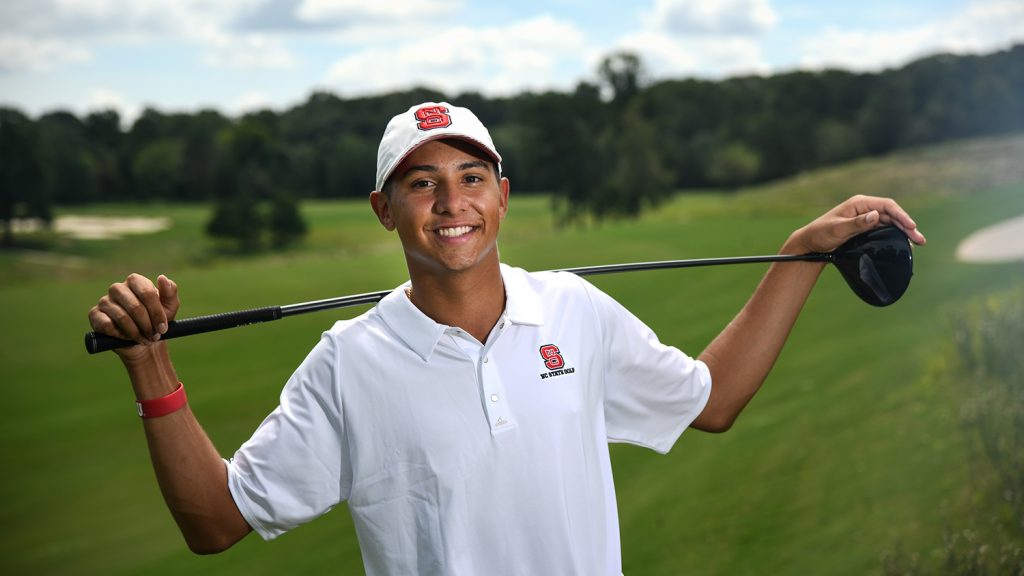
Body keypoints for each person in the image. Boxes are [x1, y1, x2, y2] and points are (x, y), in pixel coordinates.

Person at [88, 102, 926, 575]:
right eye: (423, 183)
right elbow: (215, 520)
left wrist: (799, 254)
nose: (452, 202)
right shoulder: (346, 363)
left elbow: (711, 401)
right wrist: (150, 366)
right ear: (386, 210)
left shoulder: (575, 311)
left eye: (471, 178)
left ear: (502, 195)